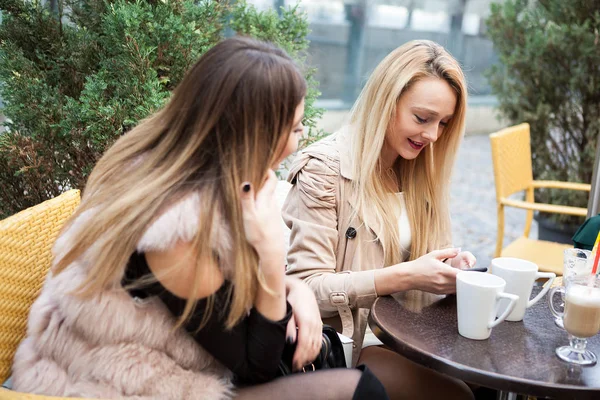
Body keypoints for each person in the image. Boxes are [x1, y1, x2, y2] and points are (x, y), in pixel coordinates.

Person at [11, 37, 388, 400]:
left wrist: (297, 290)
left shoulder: (188, 175)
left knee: (328, 359)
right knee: (355, 389)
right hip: (117, 386)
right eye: (293, 128)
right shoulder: (174, 227)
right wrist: (272, 256)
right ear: (251, 135)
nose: (298, 140)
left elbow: (230, 303)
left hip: (178, 362)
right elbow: (260, 365)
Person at [283, 40, 477, 400]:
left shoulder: (419, 168)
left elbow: (413, 258)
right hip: (351, 346)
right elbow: (305, 288)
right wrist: (405, 276)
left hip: (410, 335)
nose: (433, 135)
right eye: (422, 118)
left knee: (482, 379)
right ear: (385, 102)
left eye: (444, 123)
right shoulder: (325, 170)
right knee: (460, 395)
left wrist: (447, 264)